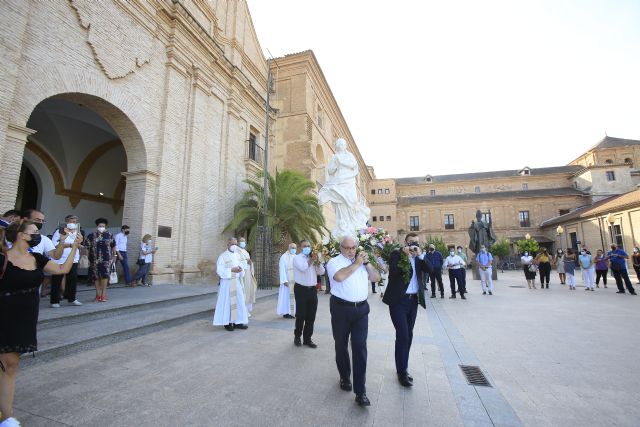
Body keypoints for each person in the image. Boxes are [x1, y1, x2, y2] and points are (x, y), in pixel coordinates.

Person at [0, 220, 81, 426]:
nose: (38, 234)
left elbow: (62, 268)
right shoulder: (3, 258)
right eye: (34, 231)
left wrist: (74, 248)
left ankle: (7, 417)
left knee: (11, 364)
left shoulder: (36, 257)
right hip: (4, 313)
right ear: (21, 235)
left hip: (25, 318)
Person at [327, 236, 380, 406]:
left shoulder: (362, 262)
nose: (350, 251)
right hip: (341, 309)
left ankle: (360, 391)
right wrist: (356, 263)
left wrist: (367, 264)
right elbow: (340, 277)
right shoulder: (334, 262)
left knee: (359, 347)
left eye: (353, 247)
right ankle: (344, 376)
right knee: (341, 344)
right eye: (347, 248)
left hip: (361, 310)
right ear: (340, 247)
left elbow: (376, 278)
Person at [382, 233, 431, 388]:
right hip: (398, 302)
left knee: (408, 335)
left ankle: (403, 366)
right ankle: (402, 372)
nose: (413, 245)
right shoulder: (396, 254)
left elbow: (432, 269)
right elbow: (394, 272)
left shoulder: (418, 257)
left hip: (413, 302)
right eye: (411, 242)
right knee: (403, 335)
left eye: (416, 243)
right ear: (405, 242)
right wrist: (405, 256)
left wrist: (421, 255)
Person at [318, 138, 370, 238]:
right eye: (339, 144)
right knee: (341, 203)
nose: (341, 146)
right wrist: (336, 164)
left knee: (352, 202)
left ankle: (353, 226)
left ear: (345, 146)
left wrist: (341, 162)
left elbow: (354, 165)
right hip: (339, 181)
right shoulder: (335, 156)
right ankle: (343, 226)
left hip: (349, 182)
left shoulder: (349, 156)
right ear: (337, 146)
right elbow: (330, 171)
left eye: (343, 144)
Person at [292, 240, 325, 348]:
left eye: (309, 246)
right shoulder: (297, 258)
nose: (307, 247)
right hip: (301, 289)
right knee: (301, 315)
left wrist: (318, 263)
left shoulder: (313, 258)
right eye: (305, 246)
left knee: (311, 316)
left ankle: (307, 339)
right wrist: (312, 259)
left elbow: (322, 272)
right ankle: (297, 336)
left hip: (312, 290)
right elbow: (303, 268)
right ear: (300, 248)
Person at [213, 237, 249, 331]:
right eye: (232, 244)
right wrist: (231, 270)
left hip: (236, 282)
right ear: (228, 245)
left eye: (235, 244)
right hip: (227, 283)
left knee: (239, 301)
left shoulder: (238, 255)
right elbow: (219, 271)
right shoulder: (222, 256)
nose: (234, 246)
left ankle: (238, 322)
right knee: (228, 302)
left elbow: (242, 268)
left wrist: (241, 270)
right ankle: (228, 322)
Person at [50, 214, 82, 307]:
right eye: (71, 221)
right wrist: (70, 245)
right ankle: (55, 301)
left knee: (72, 279)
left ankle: (71, 298)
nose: (73, 223)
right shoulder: (60, 231)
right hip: (60, 259)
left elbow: (79, 243)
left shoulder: (78, 232)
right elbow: (54, 244)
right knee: (57, 280)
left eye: (75, 222)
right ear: (67, 222)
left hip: (73, 259)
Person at [84, 218, 117, 302]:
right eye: (100, 226)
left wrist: (115, 255)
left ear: (105, 226)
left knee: (105, 276)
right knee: (96, 277)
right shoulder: (91, 235)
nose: (101, 227)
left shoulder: (109, 235)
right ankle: (97, 295)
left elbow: (113, 246)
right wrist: (86, 258)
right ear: (97, 226)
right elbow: (87, 247)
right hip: (94, 259)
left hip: (106, 259)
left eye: (103, 226)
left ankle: (103, 294)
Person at [237, 237, 257, 315]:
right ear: (238, 242)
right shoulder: (236, 251)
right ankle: (243, 310)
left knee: (249, 291)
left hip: (248, 274)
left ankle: (247, 310)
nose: (243, 243)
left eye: (244, 241)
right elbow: (237, 261)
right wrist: (246, 262)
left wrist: (250, 263)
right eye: (241, 241)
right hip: (242, 275)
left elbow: (248, 261)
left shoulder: (245, 251)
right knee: (243, 292)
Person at [277, 242, 297, 319]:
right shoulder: (284, 257)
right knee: (286, 298)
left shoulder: (296, 256)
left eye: (295, 248)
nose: (294, 249)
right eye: (292, 248)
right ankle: (286, 312)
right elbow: (281, 269)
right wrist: (284, 280)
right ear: (288, 248)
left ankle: (293, 312)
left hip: (295, 281)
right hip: (287, 282)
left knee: (294, 298)